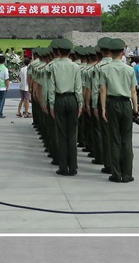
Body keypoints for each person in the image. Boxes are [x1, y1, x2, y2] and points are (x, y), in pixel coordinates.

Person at [100, 38, 139, 183]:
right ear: (123, 52)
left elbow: (103, 90)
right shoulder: (129, 69)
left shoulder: (104, 69)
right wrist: (135, 108)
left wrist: (103, 108)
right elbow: (133, 91)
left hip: (112, 103)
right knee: (126, 140)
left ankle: (116, 174)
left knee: (114, 140)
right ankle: (127, 174)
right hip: (126, 104)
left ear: (110, 52)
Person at [46, 38, 82, 176]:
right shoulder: (75, 67)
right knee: (73, 134)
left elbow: (51, 87)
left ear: (59, 51)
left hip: (59, 99)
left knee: (61, 134)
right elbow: (78, 87)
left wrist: (51, 104)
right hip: (72, 99)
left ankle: (63, 167)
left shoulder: (53, 66)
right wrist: (80, 104)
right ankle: (73, 167)